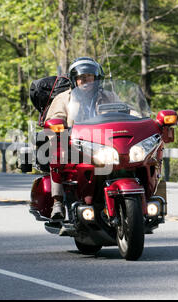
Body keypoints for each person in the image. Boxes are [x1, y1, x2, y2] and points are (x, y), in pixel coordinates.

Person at [44, 57, 118, 220]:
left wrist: (141, 119)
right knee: (57, 153)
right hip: (74, 143)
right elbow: (55, 116)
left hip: (104, 143)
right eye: (81, 78)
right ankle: (58, 203)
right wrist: (58, 124)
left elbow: (124, 112)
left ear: (96, 79)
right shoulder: (64, 98)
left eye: (89, 77)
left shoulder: (108, 96)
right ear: (74, 80)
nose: (85, 81)